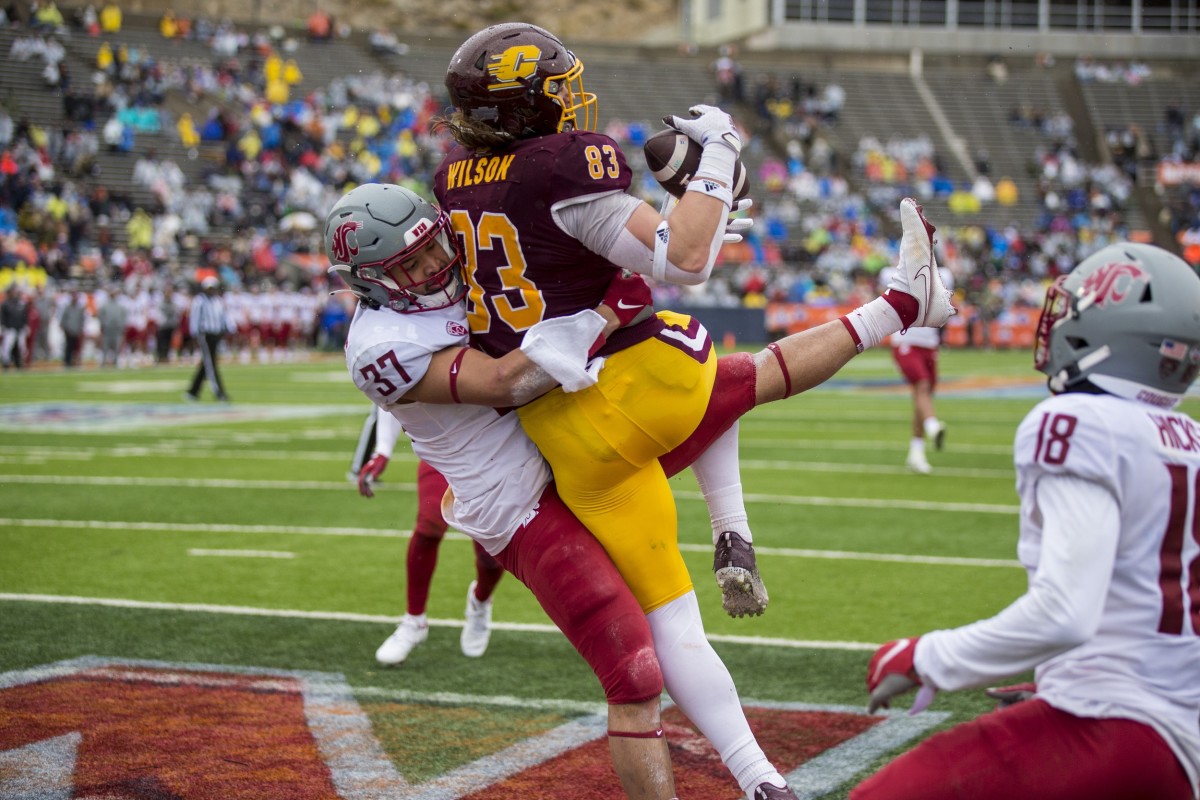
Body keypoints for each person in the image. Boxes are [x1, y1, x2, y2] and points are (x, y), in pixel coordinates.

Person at [327, 183, 952, 800]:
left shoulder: (469, 257)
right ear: (369, 280)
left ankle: (900, 304)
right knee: (634, 673)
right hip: (520, 506)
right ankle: (732, 541)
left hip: (575, 447)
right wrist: (603, 314)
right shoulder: (380, 347)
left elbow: (553, 253)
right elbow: (501, 381)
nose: (437, 266)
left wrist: (669, 240)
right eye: (411, 265)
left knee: (728, 380)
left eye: (434, 247)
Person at [857, 242, 1200, 800]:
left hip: (1116, 724)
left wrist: (927, 658)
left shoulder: (1078, 420)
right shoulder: (1189, 438)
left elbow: (1066, 613)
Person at [350, 405, 503, 665]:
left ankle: (480, 600)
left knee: (492, 547)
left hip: (494, 443)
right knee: (429, 526)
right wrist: (383, 450)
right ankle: (414, 620)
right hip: (440, 444)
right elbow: (391, 384)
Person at [878, 264, 954, 473]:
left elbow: (945, 306)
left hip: (929, 342)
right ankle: (932, 426)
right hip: (905, 339)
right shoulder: (892, 271)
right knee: (922, 386)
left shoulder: (943, 273)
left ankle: (916, 451)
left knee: (924, 395)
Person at [185, 276, 235, 402]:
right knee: (211, 364)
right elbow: (195, 318)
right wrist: (194, 334)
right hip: (205, 334)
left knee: (206, 364)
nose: (211, 290)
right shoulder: (199, 301)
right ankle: (219, 392)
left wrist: (231, 328)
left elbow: (224, 316)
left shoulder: (218, 301)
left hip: (216, 334)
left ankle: (192, 392)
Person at [0, 285, 28, 370]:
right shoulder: (5, 304)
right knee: (7, 347)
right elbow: (3, 317)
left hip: (20, 328)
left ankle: (19, 362)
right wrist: (3, 326)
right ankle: (6, 363)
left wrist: (25, 325)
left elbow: (24, 316)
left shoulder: (21, 303)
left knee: (21, 347)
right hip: (10, 328)